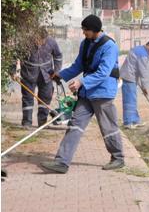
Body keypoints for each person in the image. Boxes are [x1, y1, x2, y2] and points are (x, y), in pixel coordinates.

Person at [39, 15, 125, 174]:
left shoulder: (109, 46)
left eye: (86, 30)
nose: (83, 32)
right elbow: (78, 65)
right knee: (74, 126)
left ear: (95, 30)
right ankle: (62, 162)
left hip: (103, 93)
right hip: (86, 94)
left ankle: (118, 157)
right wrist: (61, 75)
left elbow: (103, 72)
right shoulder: (85, 43)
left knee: (108, 127)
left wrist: (81, 82)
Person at [17, 28, 63, 129]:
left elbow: (58, 56)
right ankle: (26, 123)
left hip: (46, 75)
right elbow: (14, 55)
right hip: (28, 74)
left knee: (45, 98)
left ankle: (42, 123)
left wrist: (57, 71)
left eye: (42, 40)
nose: (40, 43)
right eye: (38, 40)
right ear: (34, 37)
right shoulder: (25, 42)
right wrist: (13, 71)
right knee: (27, 98)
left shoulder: (51, 42)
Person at [120, 40, 149, 129]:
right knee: (129, 101)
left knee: (133, 100)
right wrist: (145, 87)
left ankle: (135, 120)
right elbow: (143, 72)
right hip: (129, 77)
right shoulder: (143, 55)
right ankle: (128, 122)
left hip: (129, 76)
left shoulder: (138, 49)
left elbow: (137, 68)